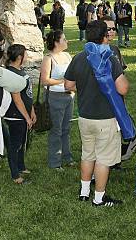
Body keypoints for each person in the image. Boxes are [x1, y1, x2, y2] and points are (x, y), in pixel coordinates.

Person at [64, 20, 129, 207]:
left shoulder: (79, 57)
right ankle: (99, 198)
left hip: (84, 116)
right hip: (105, 117)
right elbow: (122, 89)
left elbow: (68, 85)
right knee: (103, 159)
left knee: (87, 154)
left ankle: (84, 192)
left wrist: (84, 86)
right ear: (104, 36)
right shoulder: (109, 59)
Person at [40, 30, 75, 170]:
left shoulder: (67, 56)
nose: (67, 41)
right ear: (56, 42)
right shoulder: (48, 58)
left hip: (69, 95)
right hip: (55, 97)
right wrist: (64, 81)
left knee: (66, 128)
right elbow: (45, 80)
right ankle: (55, 162)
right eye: (64, 39)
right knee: (56, 130)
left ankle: (67, 156)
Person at [3, 44, 36, 184]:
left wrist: (32, 110)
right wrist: (26, 117)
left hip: (25, 113)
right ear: (19, 57)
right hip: (15, 115)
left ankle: (21, 166)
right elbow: (17, 99)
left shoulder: (20, 70)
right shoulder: (10, 73)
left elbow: (27, 95)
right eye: (26, 54)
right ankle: (15, 175)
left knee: (22, 141)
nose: (27, 57)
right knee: (14, 145)